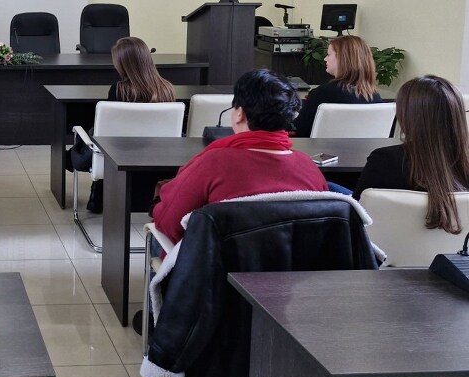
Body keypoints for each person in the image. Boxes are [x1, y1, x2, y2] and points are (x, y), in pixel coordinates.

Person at [152, 68, 329, 244]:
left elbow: (168, 223)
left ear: (239, 114)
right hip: (292, 261)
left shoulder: (213, 163)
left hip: (219, 261)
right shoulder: (309, 168)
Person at [353, 75, 469, 233]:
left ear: (407, 116)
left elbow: (355, 215)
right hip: (455, 249)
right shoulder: (464, 165)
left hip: (385, 248)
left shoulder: (383, 161)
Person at [84, 37, 177, 212]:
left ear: (124, 64)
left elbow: (109, 131)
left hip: (121, 156)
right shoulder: (167, 88)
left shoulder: (119, 89)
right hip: (159, 156)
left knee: (91, 133)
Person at [292, 35, 382, 137]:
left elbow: (299, 131)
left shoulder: (322, 94)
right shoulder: (375, 97)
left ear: (342, 58)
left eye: (328, 55)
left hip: (322, 147)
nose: (325, 59)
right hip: (366, 148)